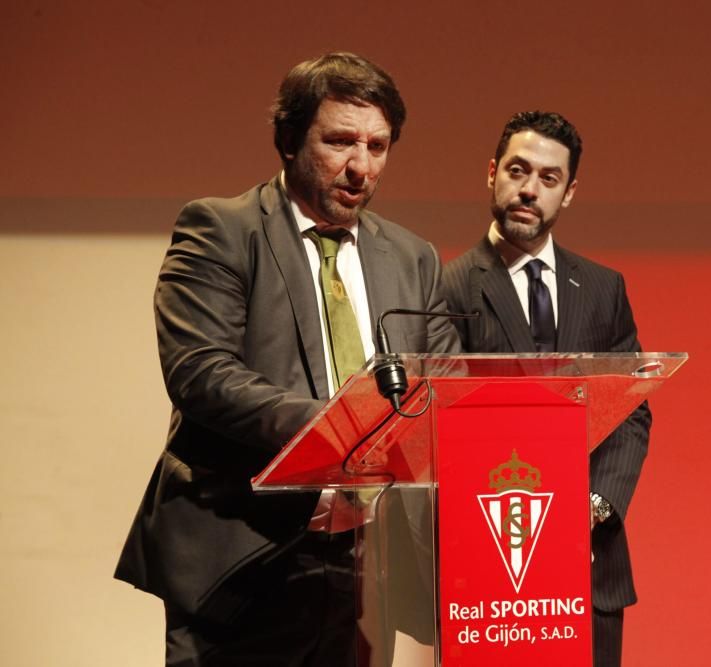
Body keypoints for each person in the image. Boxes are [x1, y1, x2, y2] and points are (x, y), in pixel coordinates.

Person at [115, 52, 460, 665]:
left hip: (368, 563)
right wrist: (341, 432)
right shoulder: (222, 228)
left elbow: (446, 385)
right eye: (340, 142)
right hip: (244, 555)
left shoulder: (413, 258)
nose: (361, 167)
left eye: (378, 147)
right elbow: (200, 372)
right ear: (287, 139)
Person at [441, 110, 652, 667]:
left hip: (590, 565)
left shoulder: (603, 288)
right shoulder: (448, 285)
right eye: (518, 170)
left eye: (549, 178)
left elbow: (630, 411)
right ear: (491, 173)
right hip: (488, 573)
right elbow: (440, 419)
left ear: (570, 191)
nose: (530, 190)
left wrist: (594, 504)